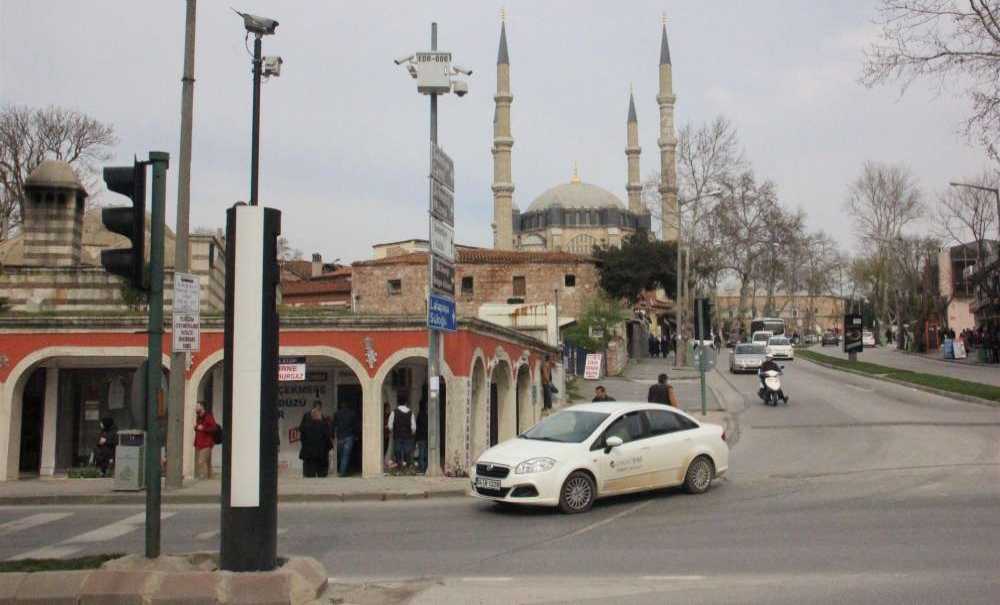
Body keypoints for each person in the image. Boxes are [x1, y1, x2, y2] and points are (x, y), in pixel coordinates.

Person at [299, 404, 332, 478]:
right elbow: (327, 436)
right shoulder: (323, 424)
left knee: (310, 473)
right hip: (319, 455)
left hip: (311, 455)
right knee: (319, 473)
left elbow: (302, 435)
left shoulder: (306, 425)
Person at [387, 395, 416, 469]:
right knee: (407, 452)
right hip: (408, 436)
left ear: (398, 403)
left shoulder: (394, 412)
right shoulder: (411, 413)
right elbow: (413, 427)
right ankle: (407, 467)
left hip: (397, 435)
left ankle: (399, 467)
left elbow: (390, 425)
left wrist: (393, 430)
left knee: (398, 452)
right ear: (406, 403)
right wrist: (412, 432)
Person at [333, 401, 359, 477]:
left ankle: (340, 470)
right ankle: (342, 472)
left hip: (340, 437)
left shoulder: (337, 414)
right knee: (345, 455)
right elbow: (355, 426)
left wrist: (333, 435)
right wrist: (356, 435)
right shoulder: (352, 414)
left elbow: (334, 425)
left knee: (340, 455)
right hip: (349, 436)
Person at [415, 403, 429, 473]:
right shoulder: (427, 415)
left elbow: (417, 425)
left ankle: (422, 468)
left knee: (421, 452)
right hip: (426, 436)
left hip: (420, 436)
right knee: (425, 452)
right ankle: (425, 467)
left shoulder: (419, 415)